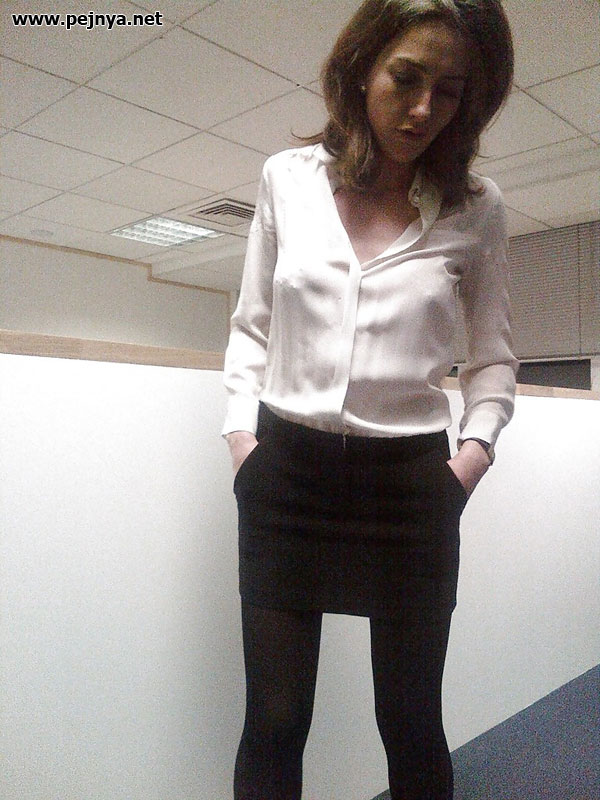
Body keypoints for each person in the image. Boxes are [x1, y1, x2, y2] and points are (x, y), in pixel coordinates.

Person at [222, 1, 518, 797]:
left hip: (411, 489)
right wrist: (244, 446)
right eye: (406, 78)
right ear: (360, 70)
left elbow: (492, 360)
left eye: (449, 91)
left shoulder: (477, 207)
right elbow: (251, 327)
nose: (423, 109)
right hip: (286, 478)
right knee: (275, 721)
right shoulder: (287, 180)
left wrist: (469, 462)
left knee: (411, 723)